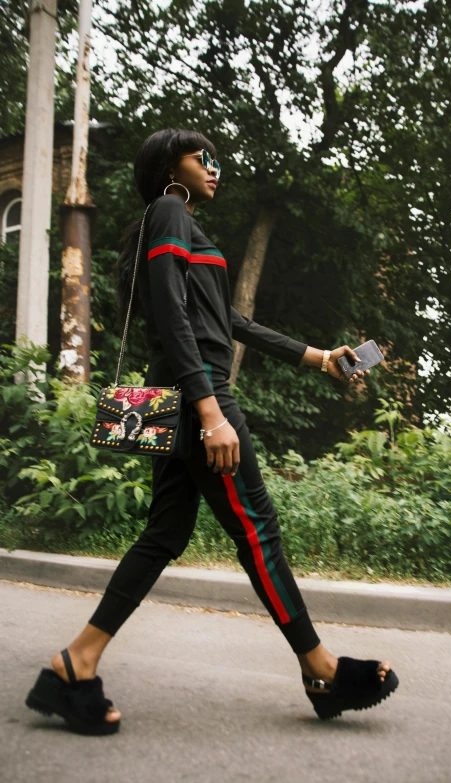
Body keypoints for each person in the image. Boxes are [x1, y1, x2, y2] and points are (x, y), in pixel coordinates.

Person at [25, 128, 398, 734]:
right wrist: (210, 412)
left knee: (166, 532)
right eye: (206, 158)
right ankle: (322, 668)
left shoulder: (178, 224)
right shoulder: (169, 210)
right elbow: (172, 316)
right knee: (258, 530)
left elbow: (228, 321)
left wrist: (318, 355)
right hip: (197, 394)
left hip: (177, 393)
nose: (216, 167)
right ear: (172, 164)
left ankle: (76, 662)